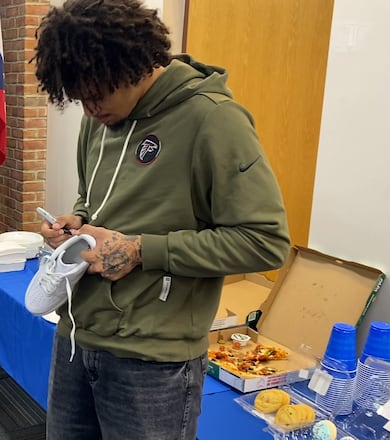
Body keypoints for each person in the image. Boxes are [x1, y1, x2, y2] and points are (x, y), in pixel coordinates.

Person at [31, 1, 291, 438]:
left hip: (153, 361)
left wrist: (140, 251)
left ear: (134, 63)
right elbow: (96, 200)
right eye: (79, 99)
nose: (90, 110)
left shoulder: (213, 120)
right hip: (77, 336)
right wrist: (77, 222)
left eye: (97, 94)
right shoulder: (99, 119)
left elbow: (264, 242)